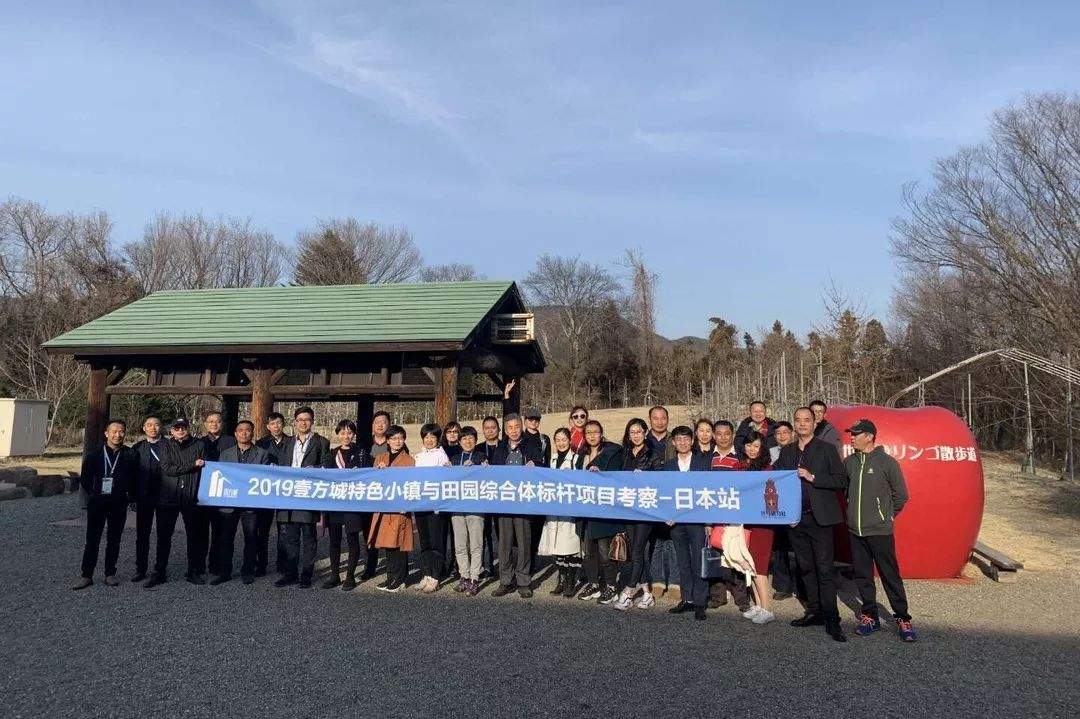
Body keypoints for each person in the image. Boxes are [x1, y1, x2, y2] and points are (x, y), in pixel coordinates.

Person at [775, 406, 849, 642]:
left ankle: (832, 617)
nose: (802, 424)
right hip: (796, 519)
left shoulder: (826, 449)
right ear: (794, 424)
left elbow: (840, 480)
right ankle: (814, 610)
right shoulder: (786, 452)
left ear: (815, 423)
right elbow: (773, 479)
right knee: (805, 567)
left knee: (824, 568)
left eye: (807, 420)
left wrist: (811, 477)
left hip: (821, 518)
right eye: (798, 420)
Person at [843, 419, 916, 642]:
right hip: (856, 530)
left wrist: (886, 515)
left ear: (869, 436)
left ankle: (903, 618)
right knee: (863, 576)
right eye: (851, 434)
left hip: (880, 530)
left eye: (856, 434)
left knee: (889, 575)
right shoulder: (849, 463)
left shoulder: (887, 463)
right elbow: (846, 491)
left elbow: (901, 495)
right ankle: (870, 617)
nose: (851, 437)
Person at [72, 420, 136, 590]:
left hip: (119, 502)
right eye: (114, 431)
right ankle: (87, 574)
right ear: (106, 433)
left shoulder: (130, 455)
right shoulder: (94, 455)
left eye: (121, 431)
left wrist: (129, 495)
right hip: (98, 502)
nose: (118, 434)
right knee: (92, 539)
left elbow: (134, 478)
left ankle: (110, 573)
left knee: (114, 539)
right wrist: (95, 492)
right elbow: (85, 479)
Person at [212, 421, 276, 585]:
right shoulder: (225, 454)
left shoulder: (262, 454)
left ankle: (248, 571)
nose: (244, 433)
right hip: (229, 502)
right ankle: (224, 571)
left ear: (252, 433)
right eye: (240, 430)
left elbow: (263, 479)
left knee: (251, 538)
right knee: (226, 538)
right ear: (235, 433)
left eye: (248, 430)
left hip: (250, 503)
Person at [275, 406, 332, 588]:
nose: (303, 422)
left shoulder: (321, 441)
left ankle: (306, 574)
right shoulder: (287, 442)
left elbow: (326, 467)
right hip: (288, 495)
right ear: (294, 422)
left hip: (308, 495)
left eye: (306, 419)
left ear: (312, 421)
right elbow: (281, 465)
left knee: (308, 537)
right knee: (289, 538)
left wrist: (314, 470)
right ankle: (290, 573)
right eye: (299, 419)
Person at [148, 418, 208, 587]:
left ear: (188, 429)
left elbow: (203, 467)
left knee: (194, 537)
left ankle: (193, 571)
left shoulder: (199, 445)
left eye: (183, 428)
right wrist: (192, 465)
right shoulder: (165, 445)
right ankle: (159, 572)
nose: (180, 431)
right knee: (164, 537)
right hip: (168, 497)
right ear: (172, 431)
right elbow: (168, 468)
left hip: (191, 496)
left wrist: (187, 466)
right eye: (177, 428)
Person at [490, 413, 544, 598]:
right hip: (504, 502)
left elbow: (541, 464)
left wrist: (534, 463)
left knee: (524, 543)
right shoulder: (501, 448)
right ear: (505, 430)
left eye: (516, 427)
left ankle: (523, 581)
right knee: (504, 544)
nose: (513, 430)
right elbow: (494, 470)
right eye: (509, 428)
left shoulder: (531, 445)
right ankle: (505, 580)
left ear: (521, 427)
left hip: (523, 502)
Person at [574, 420, 625, 605]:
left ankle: (611, 587)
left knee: (605, 552)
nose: (592, 435)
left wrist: (601, 472)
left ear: (601, 433)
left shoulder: (612, 452)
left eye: (595, 432)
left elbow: (617, 476)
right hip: (584, 510)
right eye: (588, 433)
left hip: (603, 510)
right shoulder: (581, 455)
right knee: (588, 552)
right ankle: (594, 583)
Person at [613, 418, 662, 611]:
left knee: (637, 551)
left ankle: (628, 591)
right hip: (628, 508)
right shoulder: (625, 454)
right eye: (632, 432)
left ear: (645, 432)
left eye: (639, 431)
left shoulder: (653, 455)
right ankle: (648, 594)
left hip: (645, 510)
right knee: (636, 550)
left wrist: (646, 479)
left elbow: (660, 481)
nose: (635, 435)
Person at [664, 426, 712, 621]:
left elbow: (710, 491)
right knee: (682, 561)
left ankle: (700, 602)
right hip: (676, 521)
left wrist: (709, 521)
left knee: (698, 560)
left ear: (692, 441)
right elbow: (663, 493)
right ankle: (687, 598)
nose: (682, 442)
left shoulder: (703, 462)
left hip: (698, 520)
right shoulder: (668, 466)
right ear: (673, 442)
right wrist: (666, 514)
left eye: (686, 439)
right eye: (678, 439)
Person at [320, 419, 371, 590]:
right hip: (335, 502)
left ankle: (350, 576)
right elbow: (325, 476)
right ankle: (334, 575)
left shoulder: (362, 453)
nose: (346, 436)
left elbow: (369, 474)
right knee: (334, 540)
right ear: (338, 434)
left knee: (352, 539)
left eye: (349, 432)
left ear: (353, 434)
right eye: (342, 433)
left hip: (353, 503)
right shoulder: (332, 454)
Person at [736, 431, 776, 624]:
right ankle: (759, 605)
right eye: (749, 445)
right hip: (745, 523)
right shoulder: (741, 466)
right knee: (748, 565)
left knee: (759, 566)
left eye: (756, 446)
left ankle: (767, 609)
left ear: (763, 448)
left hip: (762, 523)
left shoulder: (767, 469)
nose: (752, 450)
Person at [538, 427, 582, 598]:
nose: (561, 443)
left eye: (564, 439)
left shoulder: (577, 459)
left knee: (569, 547)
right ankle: (561, 580)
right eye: (558, 439)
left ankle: (571, 581)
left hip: (569, 510)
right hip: (554, 508)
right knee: (556, 546)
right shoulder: (552, 459)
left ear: (569, 441)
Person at [370, 425, 415, 592]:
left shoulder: (410, 461)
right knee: (387, 544)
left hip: (400, 507)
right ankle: (390, 577)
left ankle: (400, 578)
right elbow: (373, 482)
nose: (397, 441)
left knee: (399, 543)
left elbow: (411, 484)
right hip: (384, 507)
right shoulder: (380, 458)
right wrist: (378, 471)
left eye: (400, 438)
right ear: (387, 440)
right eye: (394, 438)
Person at [414, 423, 452, 593]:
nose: (429, 440)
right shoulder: (419, 456)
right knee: (425, 541)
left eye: (433, 437)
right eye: (426, 436)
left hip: (436, 506)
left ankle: (436, 575)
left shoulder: (442, 456)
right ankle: (426, 573)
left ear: (438, 439)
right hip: (421, 504)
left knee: (437, 542)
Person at [450, 426, 487, 595]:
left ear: (475, 440)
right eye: (464, 438)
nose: (468, 441)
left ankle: (474, 578)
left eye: (471, 438)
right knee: (460, 545)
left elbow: (488, 479)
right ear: (459, 441)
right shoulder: (454, 459)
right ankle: (463, 576)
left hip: (475, 507)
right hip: (457, 508)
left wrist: (480, 468)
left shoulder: (481, 457)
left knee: (476, 544)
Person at [130, 415, 165, 582]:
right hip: (144, 497)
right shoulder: (137, 448)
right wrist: (133, 497)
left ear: (161, 427)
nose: (153, 428)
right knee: (142, 534)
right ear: (144, 428)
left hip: (165, 497)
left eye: (156, 425)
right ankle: (140, 568)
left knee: (163, 535)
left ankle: (160, 569)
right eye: (149, 425)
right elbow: (131, 475)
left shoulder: (169, 446)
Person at [768, 420, 799, 601]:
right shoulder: (770, 454)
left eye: (785, 432)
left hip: (796, 504)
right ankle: (782, 585)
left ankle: (802, 585)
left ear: (792, 433)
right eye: (778, 433)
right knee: (780, 547)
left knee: (799, 547)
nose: (782, 436)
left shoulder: (800, 450)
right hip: (777, 504)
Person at [255, 410, 289, 576]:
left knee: (284, 530)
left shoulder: (292, 442)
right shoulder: (261, 443)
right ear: (268, 426)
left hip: (285, 491)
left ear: (283, 424)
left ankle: (282, 564)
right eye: (273, 423)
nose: (276, 426)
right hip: (266, 491)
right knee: (262, 530)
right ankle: (261, 564)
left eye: (279, 423)